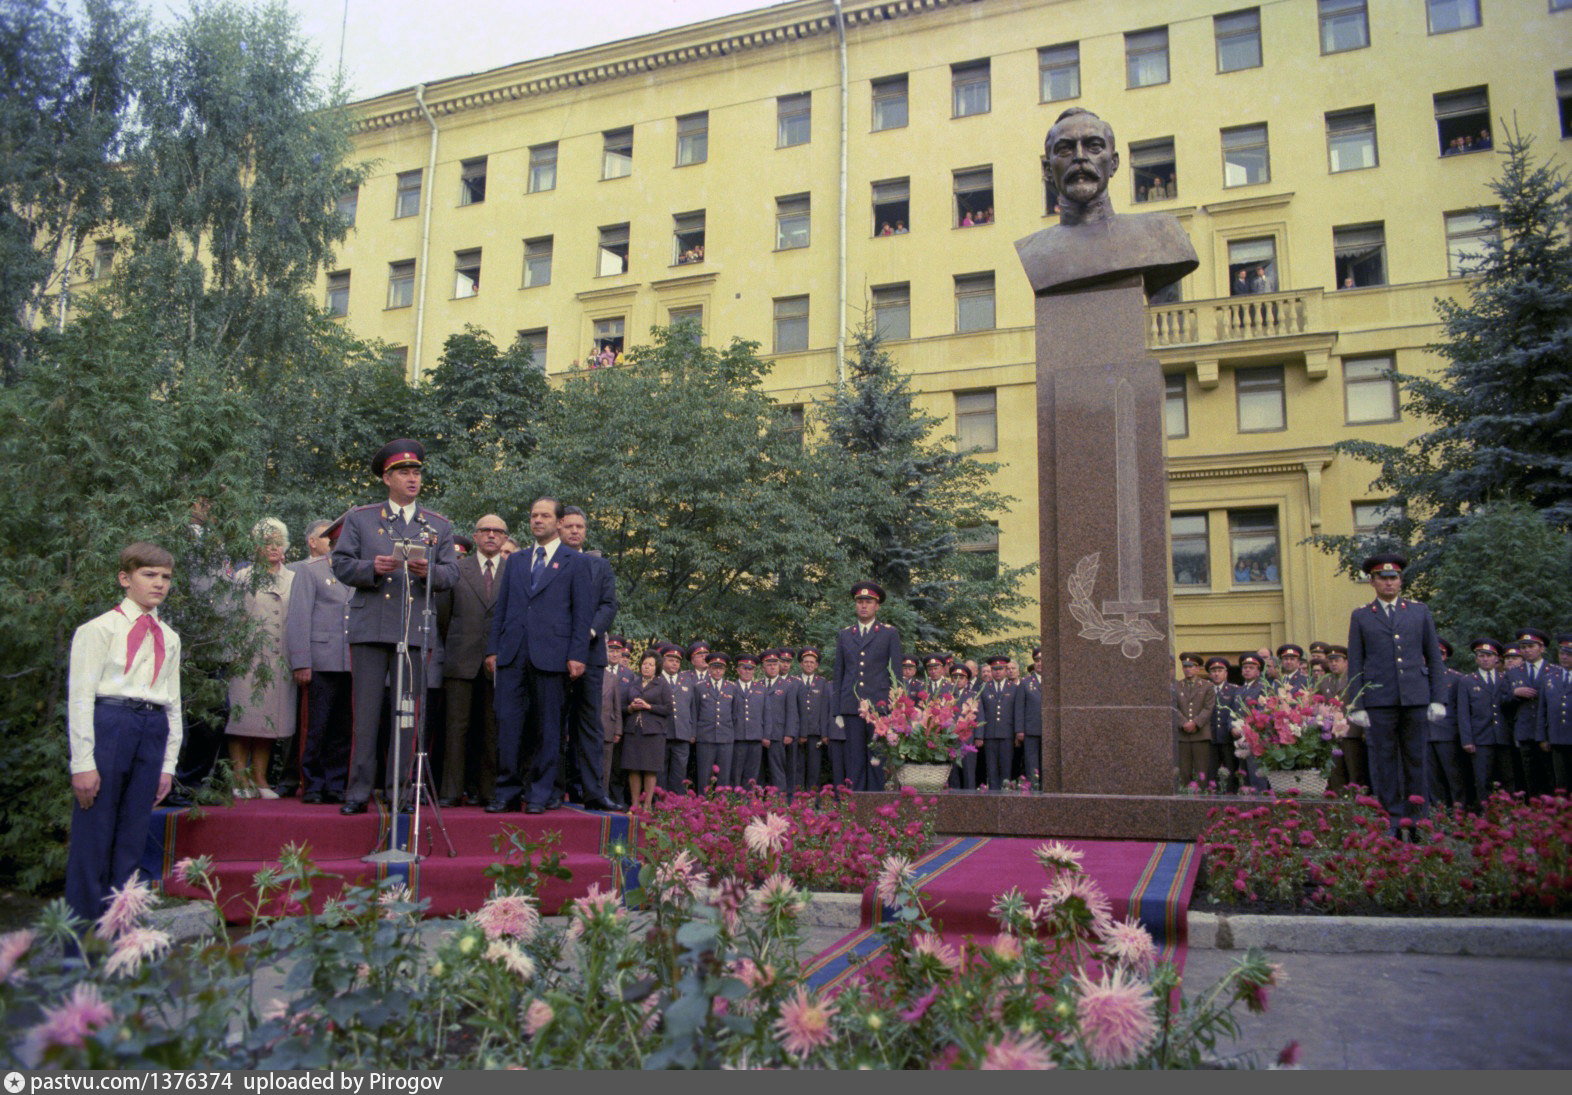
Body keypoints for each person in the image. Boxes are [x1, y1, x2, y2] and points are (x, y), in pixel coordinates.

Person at [332, 440, 459, 815]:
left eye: (417, 472)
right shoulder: (361, 517)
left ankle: (400, 790)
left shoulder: (437, 525)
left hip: (413, 629)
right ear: (387, 478)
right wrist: (373, 567)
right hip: (371, 626)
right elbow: (339, 564)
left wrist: (428, 572)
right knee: (366, 714)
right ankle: (358, 792)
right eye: (404, 472)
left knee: (407, 715)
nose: (412, 478)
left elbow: (452, 573)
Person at [65, 543, 183, 928]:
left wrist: (167, 764)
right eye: (149, 575)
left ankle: (119, 937)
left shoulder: (170, 637)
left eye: (165, 577)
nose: (159, 584)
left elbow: (174, 703)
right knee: (94, 837)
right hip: (111, 724)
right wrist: (83, 763)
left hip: (152, 729)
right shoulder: (98, 630)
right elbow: (80, 699)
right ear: (125, 579)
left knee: (132, 837)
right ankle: (79, 944)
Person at [486, 497, 592, 814]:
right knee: (509, 724)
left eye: (544, 516)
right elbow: (501, 609)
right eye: (533, 516)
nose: (537, 521)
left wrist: (577, 654)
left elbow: (582, 614)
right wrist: (493, 648)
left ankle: (540, 793)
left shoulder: (575, 561)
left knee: (548, 729)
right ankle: (506, 791)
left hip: (553, 655)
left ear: (559, 522)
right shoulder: (516, 561)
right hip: (513, 654)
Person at [1345, 554, 1447, 836]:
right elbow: (1356, 662)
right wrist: (1358, 703)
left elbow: (1434, 658)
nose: (1389, 583)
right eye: (1382, 578)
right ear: (1372, 582)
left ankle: (1418, 819)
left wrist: (1438, 698)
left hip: (1415, 697)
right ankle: (1391, 818)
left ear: (1401, 580)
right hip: (1379, 701)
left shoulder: (1418, 611)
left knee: (1417, 759)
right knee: (1384, 762)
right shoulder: (1362, 616)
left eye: (1393, 578)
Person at [435, 514, 508, 807]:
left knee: (492, 729)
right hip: (460, 659)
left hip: (499, 663)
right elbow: (443, 616)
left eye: (497, 531)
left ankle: (489, 791)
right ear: (475, 536)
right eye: (485, 530)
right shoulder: (456, 568)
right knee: (456, 728)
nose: (491, 535)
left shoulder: (514, 570)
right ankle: (451, 790)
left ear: (504, 538)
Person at [556, 507, 621, 811]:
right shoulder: (547, 562)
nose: (575, 531)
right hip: (553, 656)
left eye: (580, 526)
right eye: (569, 526)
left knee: (590, 726)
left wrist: (586, 634)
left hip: (591, 656)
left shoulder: (601, 566)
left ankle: (594, 791)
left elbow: (608, 606)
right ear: (559, 528)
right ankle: (555, 789)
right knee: (552, 723)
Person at [285, 520, 353, 804]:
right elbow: (299, 618)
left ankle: (336, 784)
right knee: (316, 726)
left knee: (342, 728)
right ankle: (312, 784)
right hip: (320, 661)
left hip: (351, 662)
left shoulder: (360, 571)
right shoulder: (310, 570)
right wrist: (301, 661)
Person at [226, 519, 295, 799]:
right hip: (247, 658)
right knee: (243, 720)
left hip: (280, 660)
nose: (274, 548)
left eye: (278, 542)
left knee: (269, 721)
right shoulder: (242, 577)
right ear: (255, 547)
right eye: (267, 542)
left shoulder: (294, 578)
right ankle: (239, 778)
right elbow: (230, 620)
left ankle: (261, 778)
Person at [833, 582, 902, 792]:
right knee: (854, 760)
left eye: (868, 602)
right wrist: (838, 710)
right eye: (860, 602)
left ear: (877, 606)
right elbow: (839, 674)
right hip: (852, 707)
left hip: (879, 708)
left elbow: (895, 674)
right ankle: (855, 809)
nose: (864, 606)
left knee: (877, 759)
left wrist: (895, 708)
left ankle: (876, 805)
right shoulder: (845, 634)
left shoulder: (889, 634)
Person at [1503, 627, 1556, 797]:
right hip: (1525, 730)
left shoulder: (1554, 671)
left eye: (1531, 646)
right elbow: (1501, 700)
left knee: (1550, 775)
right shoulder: (1513, 672)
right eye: (1523, 647)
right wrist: (1514, 694)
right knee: (1529, 777)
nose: (1527, 650)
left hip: (1549, 730)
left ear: (1542, 648)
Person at [1458, 638, 1511, 802]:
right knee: (1482, 780)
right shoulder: (1467, 681)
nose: (1485, 659)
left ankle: (1512, 814)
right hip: (1480, 739)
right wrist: (1467, 740)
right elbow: (1463, 713)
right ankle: (1485, 816)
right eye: (1481, 655)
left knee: (1508, 778)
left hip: (1504, 737)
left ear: (1497, 659)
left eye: (1489, 655)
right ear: (1476, 659)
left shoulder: (1505, 678)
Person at [621, 651, 671, 811]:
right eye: (644, 664)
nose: (646, 667)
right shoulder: (633, 683)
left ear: (656, 668)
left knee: (650, 768)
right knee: (633, 767)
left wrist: (649, 706)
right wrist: (630, 708)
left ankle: (648, 804)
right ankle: (635, 804)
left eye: (650, 664)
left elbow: (668, 709)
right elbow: (622, 707)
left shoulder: (662, 684)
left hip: (654, 733)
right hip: (633, 731)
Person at [1427, 639, 1473, 810]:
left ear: (1445, 656)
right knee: (1433, 780)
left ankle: (1460, 813)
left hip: (1448, 735)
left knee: (1455, 778)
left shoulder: (1456, 679)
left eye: (1439, 654)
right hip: (1425, 735)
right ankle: (1440, 815)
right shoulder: (1419, 677)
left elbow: (1461, 711)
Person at [694, 651, 738, 793]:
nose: (717, 671)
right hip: (705, 737)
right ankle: (703, 803)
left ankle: (722, 806)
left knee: (724, 775)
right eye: (714, 667)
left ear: (725, 670)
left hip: (725, 737)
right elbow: (695, 712)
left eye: (721, 668)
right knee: (704, 774)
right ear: (709, 669)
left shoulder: (732, 687)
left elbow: (735, 713)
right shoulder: (699, 687)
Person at [791, 646, 832, 791]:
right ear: (801, 664)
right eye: (806, 662)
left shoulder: (823, 683)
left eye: (812, 662)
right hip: (797, 733)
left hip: (815, 733)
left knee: (814, 768)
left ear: (816, 665)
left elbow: (825, 710)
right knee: (797, 766)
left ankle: (812, 800)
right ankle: (797, 799)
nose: (809, 664)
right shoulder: (793, 682)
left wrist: (825, 733)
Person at [1172, 653, 1215, 789]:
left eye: (1191, 666)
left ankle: (1202, 796)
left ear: (1197, 669)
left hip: (1200, 734)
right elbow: (1174, 707)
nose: (1187, 669)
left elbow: (1208, 708)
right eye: (1185, 666)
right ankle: (1185, 796)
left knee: (1201, 770)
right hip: (1183, 735)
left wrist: (1195, 723)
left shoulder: (1207, 686)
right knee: (1184, 771)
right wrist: (1183, 723)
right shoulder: (1176, 686)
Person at [977, 655, 1017, 790]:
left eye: (1001, 669)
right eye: (995, 669)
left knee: (1006, 769)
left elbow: (1017, 712)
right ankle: (993, 798)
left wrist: (1017, 733)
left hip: (1007, 735)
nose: (997, 672)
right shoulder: (984, 688)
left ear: (1006, 670)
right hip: (989, 735)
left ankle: (1006, 797)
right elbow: (980, 714)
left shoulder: (1014, 688)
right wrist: (979, 735)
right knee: (991, 770)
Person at [730, 654, 765, 787]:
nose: (747, 672)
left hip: (756, 737)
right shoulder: (731, 687)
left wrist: (765, 735)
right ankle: (735, 800)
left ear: (754, 671)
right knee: (736, 771)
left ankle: (749, 801)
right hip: (737, 737)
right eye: (744, 668)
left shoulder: (761, 689)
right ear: (738, 670)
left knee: (752, 773)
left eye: (750, 669)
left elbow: (766, 714)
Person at [1204, 657, 1236, 791]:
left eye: (1219, 670)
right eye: (1213, 671)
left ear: (1226, 673)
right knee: (1211, 772)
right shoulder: (1205, 690)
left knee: (1231, 770)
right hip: (1211, 737)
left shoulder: (1234, 690)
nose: (1216, 674)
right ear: (1210, 674)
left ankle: (1231, 795)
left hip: (1227, 737)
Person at [1014, 646, 1043, 790]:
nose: (1039, 663)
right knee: (1032, 763)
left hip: (1050, 730)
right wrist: (1019, 730)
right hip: (1031, 730)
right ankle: (1034, 788)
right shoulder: (1025, 683)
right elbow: (1019, 708)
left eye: (1042, 659)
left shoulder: (1055, 681)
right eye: (1037, 660)